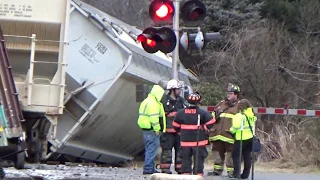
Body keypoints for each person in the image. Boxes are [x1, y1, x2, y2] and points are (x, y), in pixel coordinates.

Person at [173, 92, 216, 176]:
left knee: (185, 159)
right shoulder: (202, 112)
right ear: (198, 102)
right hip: (199, 142)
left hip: (185, 141)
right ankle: (198, 175)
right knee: (198, 160)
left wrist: (180, 132)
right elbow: (212, 121)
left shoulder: (180, 113)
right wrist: (204, 127)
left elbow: (175, 125)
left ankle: (186, 175)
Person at [207, 83, 241, 177]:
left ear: (236, 94)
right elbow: (212, 114)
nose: (228, 95)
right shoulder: (222, 103)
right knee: (217, 152)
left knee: (230, 155)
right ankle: (217, 170)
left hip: (230, 135)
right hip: (217, 133)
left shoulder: (240, 106)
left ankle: (231, 172)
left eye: (231, 93)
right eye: (228, 93)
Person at [137, 85, 166, 175]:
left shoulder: (146, 101)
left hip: (146, 129)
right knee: (152, 149)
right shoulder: (154, 103)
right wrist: (157, 129)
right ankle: (148, 168)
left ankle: (150, 167)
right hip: (152, 130)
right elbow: (154, 118)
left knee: (149, 148)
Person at [159, 79, 185, 174]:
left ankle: (180, 168)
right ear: (172, 89)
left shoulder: (181, 101)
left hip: (179, 131)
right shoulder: (164, 100)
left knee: (180, 150)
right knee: (167, 150)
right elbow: (161, 115)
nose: (179, 91)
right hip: (168, 132)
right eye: (178, 89)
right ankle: (165, 168)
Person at [229, 99, 257, 179]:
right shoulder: (252, 114)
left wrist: (231, 131)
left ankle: (236, 174)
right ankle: (245, 175)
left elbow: (236, 126)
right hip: (250, 138)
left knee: (236, 156)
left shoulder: (239, 115)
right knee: (247, 156)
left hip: (240, 138)